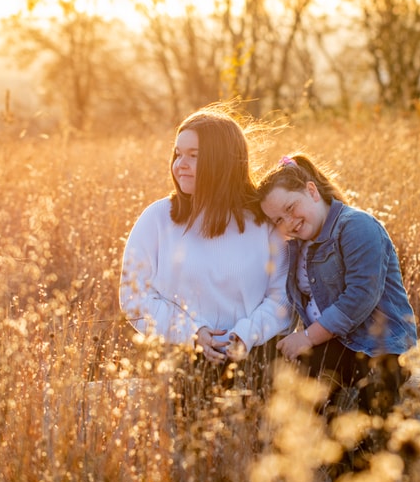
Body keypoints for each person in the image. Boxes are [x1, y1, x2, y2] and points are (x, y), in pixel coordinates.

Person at [256, 153, 418, 472]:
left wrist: (306, 337)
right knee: (294, 400)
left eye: (290, 208)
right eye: (278, 220)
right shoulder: (298, 244)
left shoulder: (357, 226)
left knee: (372, 424)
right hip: (335, 344)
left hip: (378, 344)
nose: (288, 223)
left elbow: (360, 296)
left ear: (312, 191)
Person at [119, 103, 292, 391]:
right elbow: (133, 297)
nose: (180, 164)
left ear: (221, 161)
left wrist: (243, 337)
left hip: (256, 360)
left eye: (193, 156)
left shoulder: (263, 223)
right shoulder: (158, 219)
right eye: (178, 153)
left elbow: (283, 298)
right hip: (180, 360)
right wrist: (192, 333)